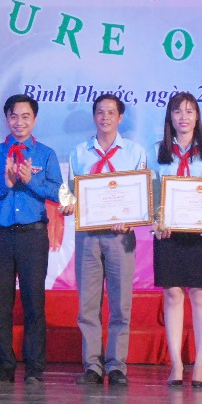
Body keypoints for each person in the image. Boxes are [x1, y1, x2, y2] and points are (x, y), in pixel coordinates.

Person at [61, 93, 148, 386]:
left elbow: (143, 195)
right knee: (88, 305)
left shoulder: (135, 152)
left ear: (120, 118)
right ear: (94, 116)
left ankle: (117, 365)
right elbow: (69, 191)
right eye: (100, 112)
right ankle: (92, 366)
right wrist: (68, 203)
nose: (105, 117)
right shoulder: (79, 152)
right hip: (87, 235)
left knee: (121, 305)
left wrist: (133, 218)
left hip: (120, 236)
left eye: (111, 112)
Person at [0, 94, 63, 384]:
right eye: (14, 116)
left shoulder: (45, 154)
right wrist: (4, 184)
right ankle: (4, 366)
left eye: (26, 116)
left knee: (33, 301)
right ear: (6, 119)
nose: (19, 122)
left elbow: (58, 193)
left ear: (34, 119)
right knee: (0, 303)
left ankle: (34, 367)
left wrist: (31, 180)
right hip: (1, 235)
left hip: (33, 235)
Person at [150, 91, 202, 388]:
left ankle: (200, 365)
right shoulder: (157, 150)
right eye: (177, 111)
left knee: (200, 295)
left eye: (189, 111)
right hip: (168, 233)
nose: (183, 117)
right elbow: (152, 192)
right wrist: (157, 221)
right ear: (169, 117)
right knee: (172, 294)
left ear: (197, 117)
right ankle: (176, 364)